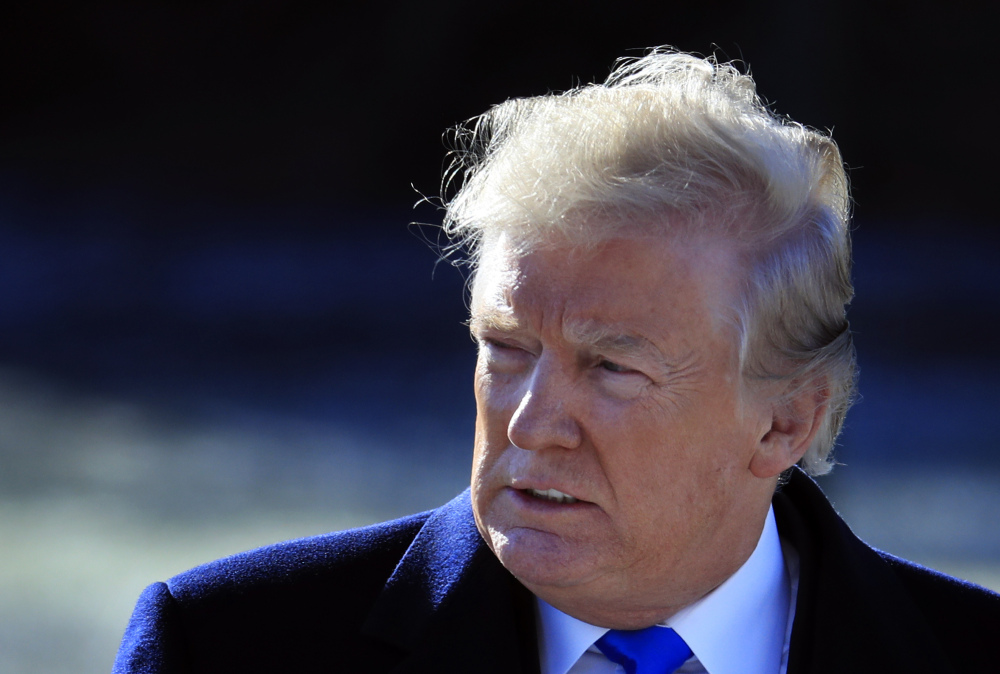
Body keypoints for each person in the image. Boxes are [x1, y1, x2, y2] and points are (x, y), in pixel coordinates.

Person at [113, 48, 1000, 674]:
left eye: (612, 369)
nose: (531, 422)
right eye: (508, 348)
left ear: (786, 420)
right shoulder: (225, 647)